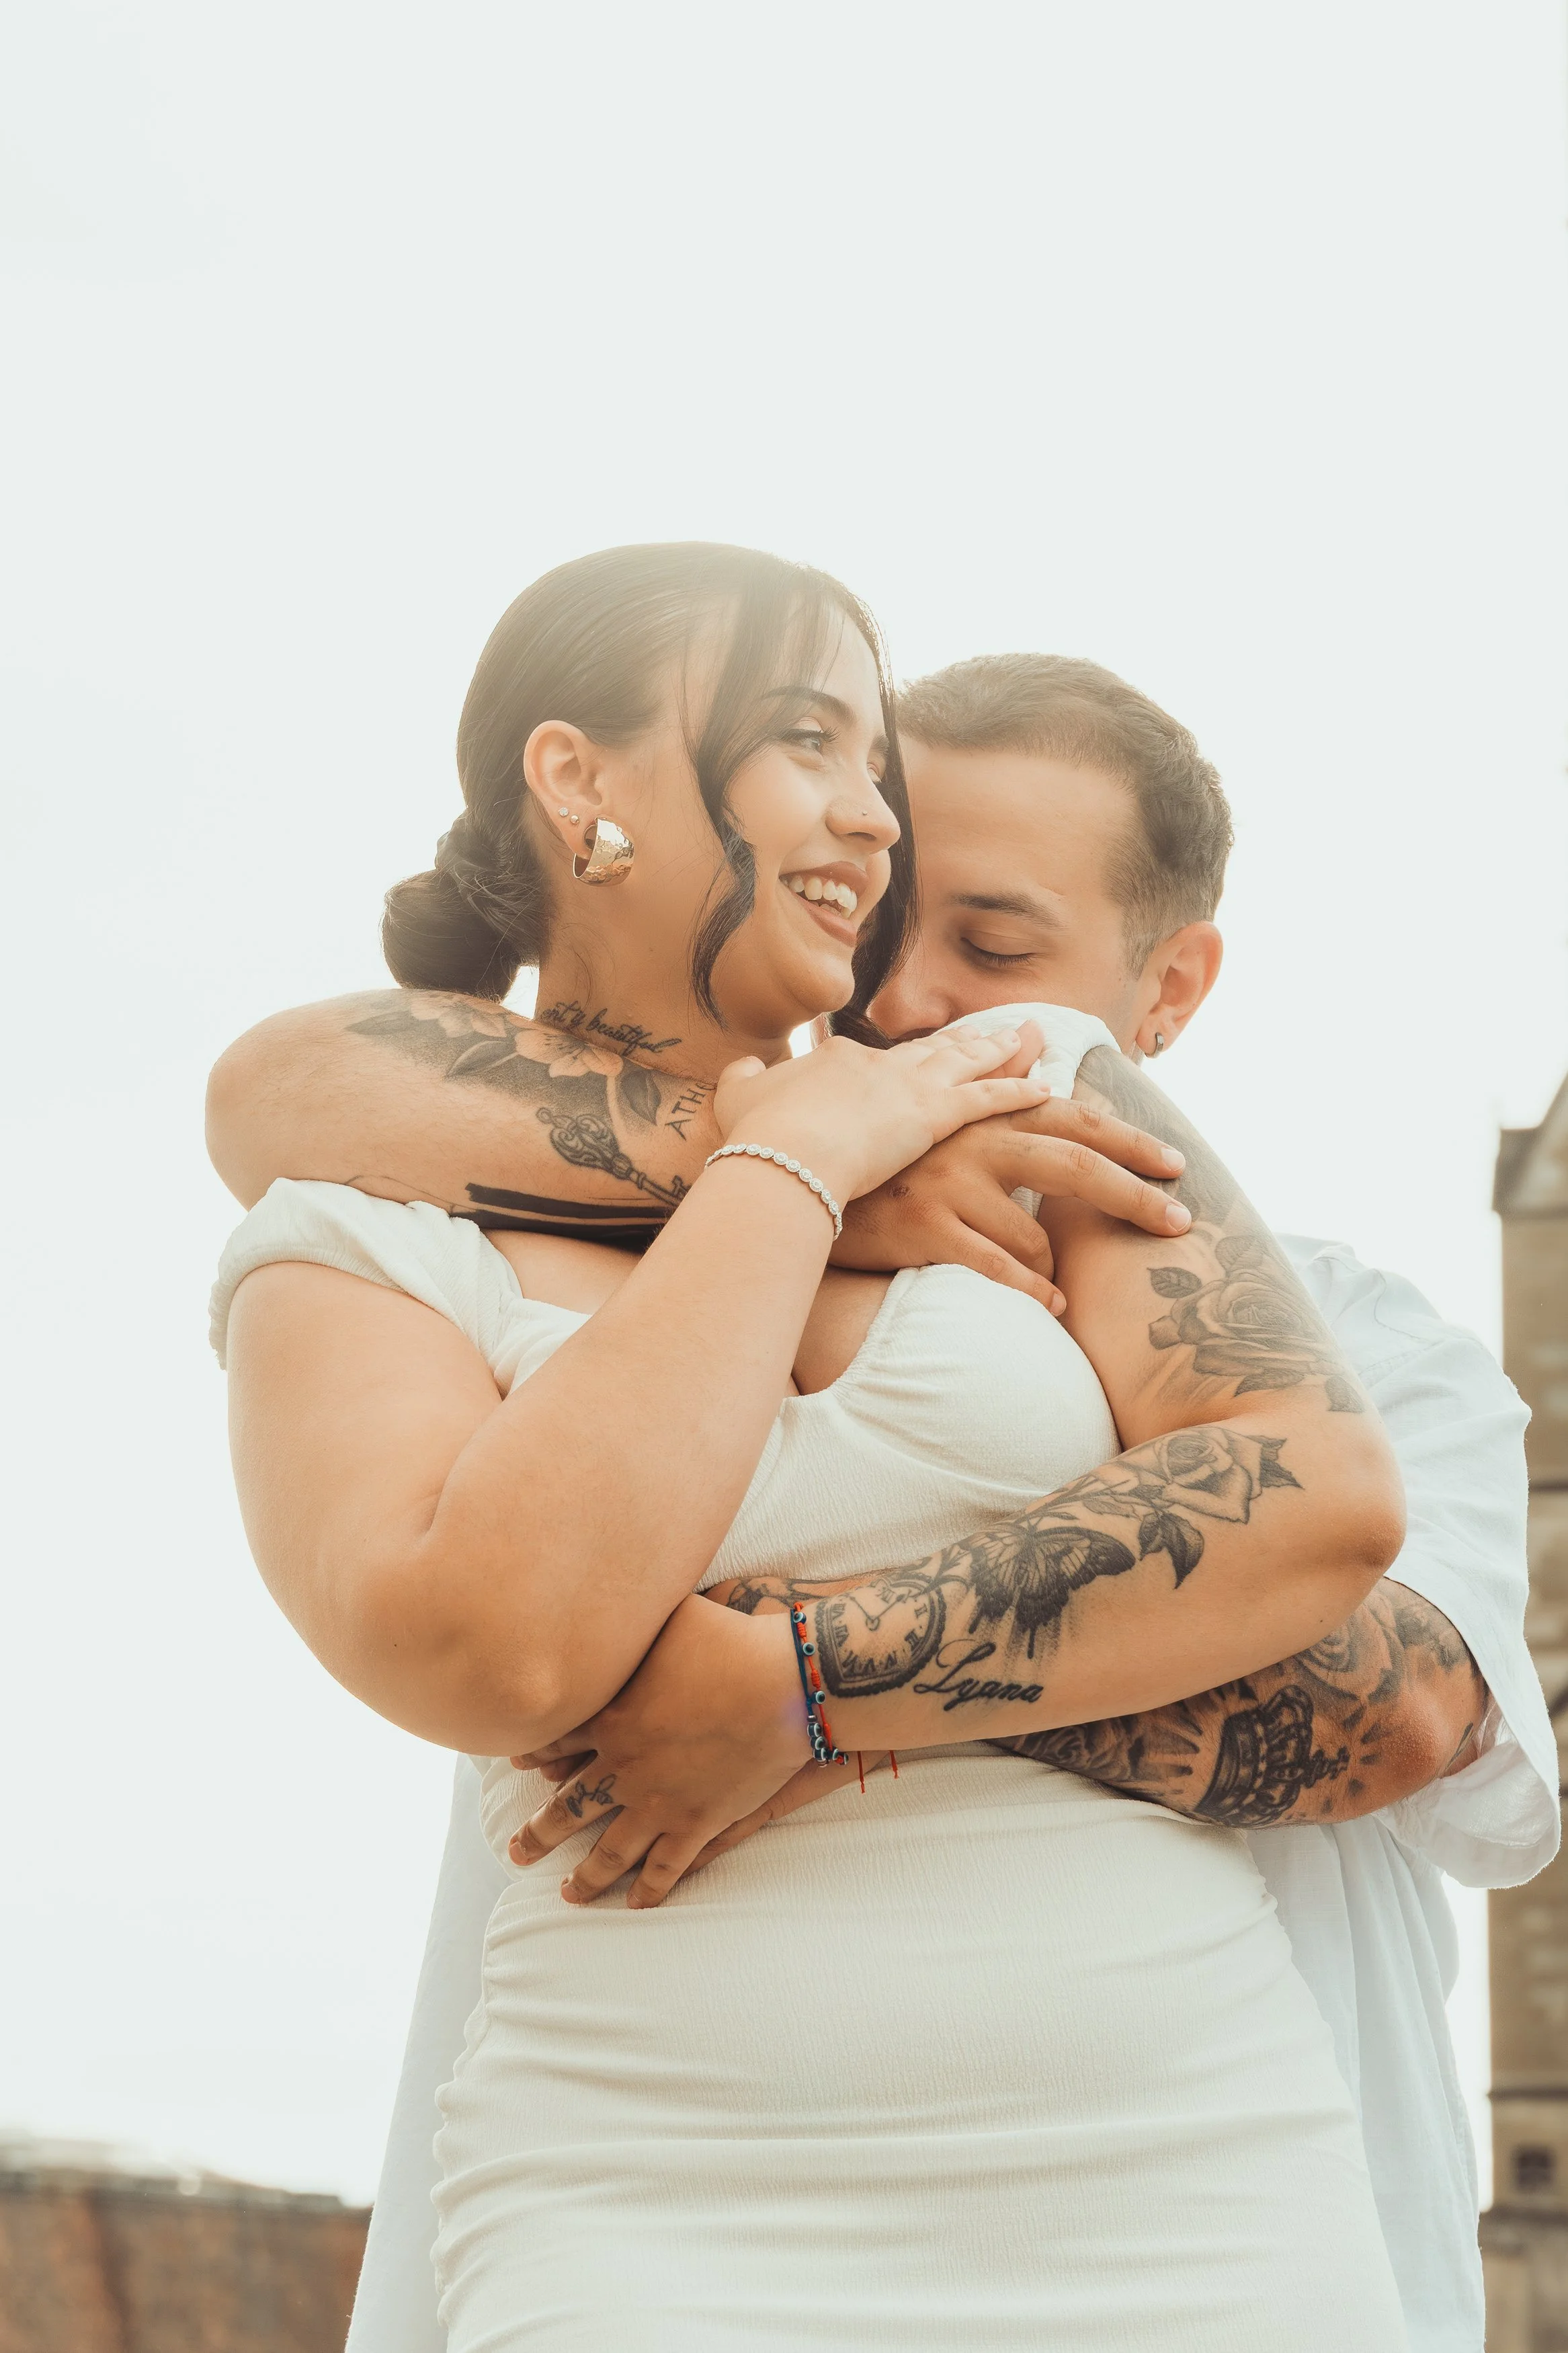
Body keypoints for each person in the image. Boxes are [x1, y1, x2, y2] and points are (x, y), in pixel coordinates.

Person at [211, 632, 1560, 2353]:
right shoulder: (641, 1217)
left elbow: (1389, 1709)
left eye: (996, 947)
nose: (903, 1001)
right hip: (631, 2215)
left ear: (1167, 994)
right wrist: (805, 1166)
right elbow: (281, 1079)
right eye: (876, 922)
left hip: (1184, 2219)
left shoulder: (1368, 1337)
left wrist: (801, 1686)